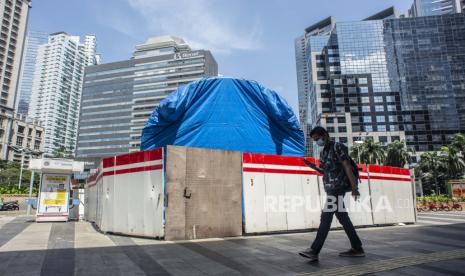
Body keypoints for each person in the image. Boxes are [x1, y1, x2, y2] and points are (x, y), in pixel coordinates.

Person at [299, 126, 364, 262]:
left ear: (325, 135)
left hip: (338, 187)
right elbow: (325, 171)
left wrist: (354, 188)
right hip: (331, 188)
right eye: (315, 140)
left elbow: (346, 166)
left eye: (318, 139)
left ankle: (314, 250)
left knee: (326, 217)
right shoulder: (323, 153)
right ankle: (357, 248)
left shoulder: (338, 147)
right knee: (343, 218)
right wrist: (312, 166)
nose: (317, 142)